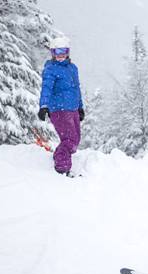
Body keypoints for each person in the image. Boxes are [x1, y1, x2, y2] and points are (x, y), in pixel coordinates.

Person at [38, 36, 84, 177]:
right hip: (59, 109)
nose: (60, 55)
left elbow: (76, 88)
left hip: (73, 108)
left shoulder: (72, 68)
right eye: (57, 52)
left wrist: (80, 107)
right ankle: (61, 167)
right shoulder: (51, 69)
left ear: (68, 52)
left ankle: (62, 159)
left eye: (63, 51)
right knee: (69, 140)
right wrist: (44, 105)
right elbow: (46, 88)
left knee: (75, 139)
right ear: (53, 53)